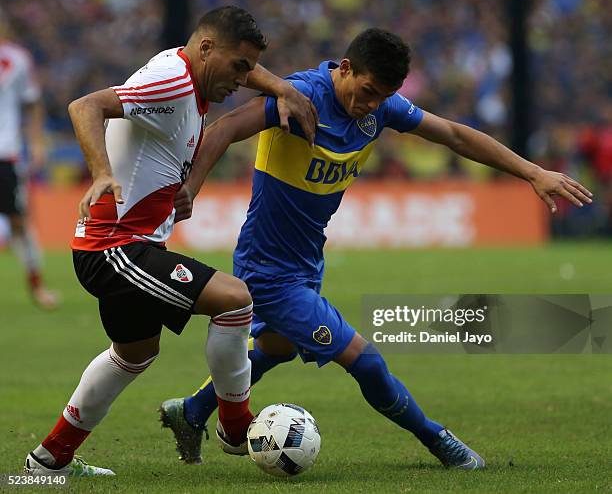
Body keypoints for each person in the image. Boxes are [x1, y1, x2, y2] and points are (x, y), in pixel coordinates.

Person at [160, 28, 593, 469]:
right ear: (345, 68)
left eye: (381, 97)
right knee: (365, 361)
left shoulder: (382, 109)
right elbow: (225, 127)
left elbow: (454, 136)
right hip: (268, 269)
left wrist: (532, 172)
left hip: (307, 259)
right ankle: (439, 440)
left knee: (276, 350)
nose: (370, 105)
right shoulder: (301, 96)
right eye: (366, 91)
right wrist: (191, 187)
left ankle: (191, 412)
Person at [24, 5, 317, 477]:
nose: (243, 79)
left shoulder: (192, 73)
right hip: (115, 247)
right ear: (205, 50)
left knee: (133, 355)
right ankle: (236, 426)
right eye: (238, 67)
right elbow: (85, 106)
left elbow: (242, 63)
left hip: (128, 246)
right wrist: (101, 174)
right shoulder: (173, 81)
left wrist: (281, 87)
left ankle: (49, 459)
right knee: (236, 300)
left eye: (249, 69)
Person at [0, 18, 58, 309]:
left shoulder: (17, 60)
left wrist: (36, 142)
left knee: (19, 222)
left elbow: (33, 102)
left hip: (5, 153)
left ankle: (37, 286)